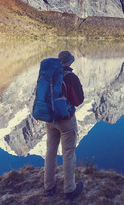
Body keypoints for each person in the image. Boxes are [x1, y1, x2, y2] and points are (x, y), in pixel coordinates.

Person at [44, 51, 84, 200]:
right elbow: (78, 101)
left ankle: (49, 187)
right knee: (68, 153)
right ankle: (69, 189)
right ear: (70, 63)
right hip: (66, 121)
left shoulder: (49, 75)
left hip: (50, 120)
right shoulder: (70, 77)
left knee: (50, 152)